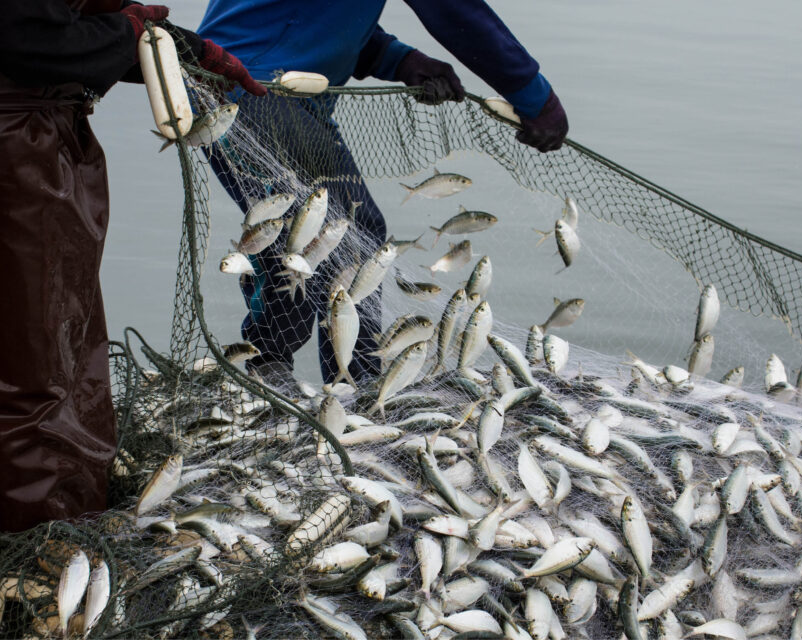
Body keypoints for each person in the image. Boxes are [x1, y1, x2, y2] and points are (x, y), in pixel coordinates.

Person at [198, 0, 569, 389]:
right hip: (251, 89)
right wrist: (534, 95)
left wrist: (397, 59)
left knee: (337, 231)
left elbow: (315, 14)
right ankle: (305, 376)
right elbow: (456, 11)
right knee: (326, 233)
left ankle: (327, 377)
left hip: (264, 87)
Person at [0, 0, 263, 532]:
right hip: (17, 150)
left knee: (58, 338)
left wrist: (189, 48)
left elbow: (62, 27)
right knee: (34, 357)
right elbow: (27, 42)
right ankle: (40, 534)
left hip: (40, 135)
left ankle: (64, 508)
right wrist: (126, 31)